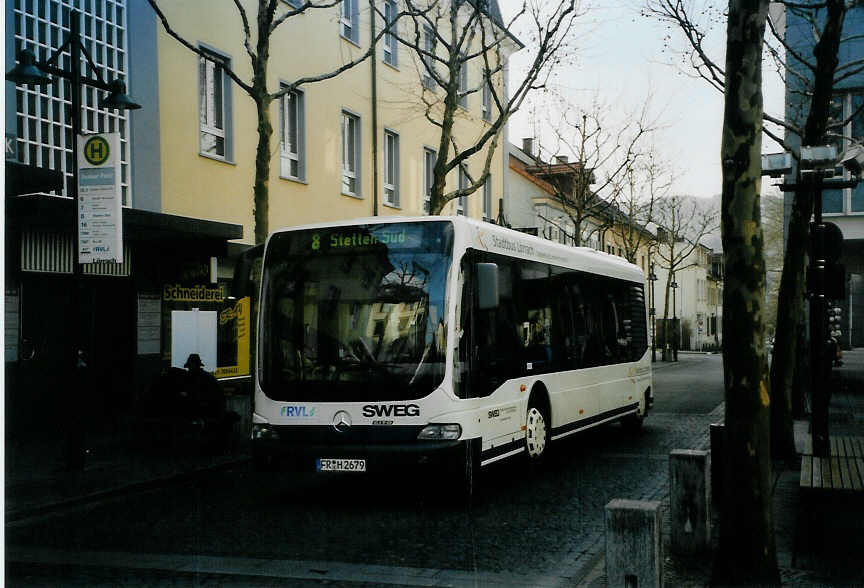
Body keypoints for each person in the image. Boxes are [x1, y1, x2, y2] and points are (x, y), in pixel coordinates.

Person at [182, 354, 238, 454]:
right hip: (209, 409)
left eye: (190, 366)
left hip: (209, 410)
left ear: (194, 365)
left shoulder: (200, 379)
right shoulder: (203, 377)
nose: (189, 369)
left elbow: (202, 397)